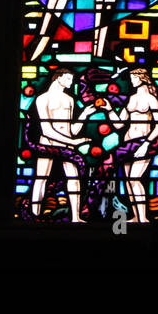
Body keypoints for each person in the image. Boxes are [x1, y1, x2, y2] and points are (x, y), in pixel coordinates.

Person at [27, 66, 98, 222]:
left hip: (67, 144)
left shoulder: (69, 99)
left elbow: (71, 130)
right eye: (68, 79)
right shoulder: (42, 99)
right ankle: (34, 217)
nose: (71, 83)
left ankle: (76, 217)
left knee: (74, 179)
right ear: (59, 77)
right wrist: (72, 142)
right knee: (41, 178)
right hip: (48, 143)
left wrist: (84, 116)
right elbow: (46, 130)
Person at [106, 67, 158, 224]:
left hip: (142, 143)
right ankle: (135, 217)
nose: (131, 81)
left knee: (134, 179)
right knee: (128, 181)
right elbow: (119, 125)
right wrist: (109, 109)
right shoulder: (131, 98)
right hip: (127, 143)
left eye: (133, 78)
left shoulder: (151, 99)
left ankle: (144, 218)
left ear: (141, 79)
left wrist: (146, 144)